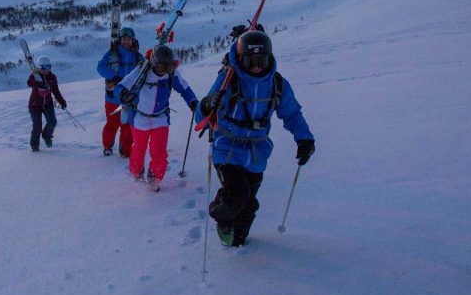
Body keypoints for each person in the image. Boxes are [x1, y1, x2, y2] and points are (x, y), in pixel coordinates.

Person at [195, 29, 315, 246]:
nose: (257, 66)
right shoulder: (229, 80)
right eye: (250, 61)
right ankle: (221, 216)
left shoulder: (276, 84)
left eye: (261, 60)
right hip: (228, 148)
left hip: (257, 152)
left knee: (249, 205)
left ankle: (238, 240)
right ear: (241, 60)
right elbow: (202, 115)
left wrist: (304, 139)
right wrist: (206, 105)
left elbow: (291, 114)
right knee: (236, 196)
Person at [116, 44, 198, 190]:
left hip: (160, 119)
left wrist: (193, 102)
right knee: (139, 148)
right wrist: (123, 95)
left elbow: (185, 89)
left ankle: (155, 177)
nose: (164, 72)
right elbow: (121, 86)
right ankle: (136, 172)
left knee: (159, 151)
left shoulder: (172, 74)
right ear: (153, 64)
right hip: (140, 119)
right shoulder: (141, 71)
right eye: (161, 68)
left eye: (169, 68)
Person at [96, 26, 141, 157]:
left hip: (130, 98)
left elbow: (146, 69)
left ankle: (125, 151)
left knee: (127, 125)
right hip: (113, 97)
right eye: (124, 39)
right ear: (120, 40)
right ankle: (107, 146)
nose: (126, 41)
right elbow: (100, 67)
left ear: (133, 40)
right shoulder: (112, 53)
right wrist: (112, 76)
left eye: (129, 39)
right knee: (112, 123)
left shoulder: (137, 56)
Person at [27, 56, 67, 152]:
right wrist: (40, 83)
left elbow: (55, 91)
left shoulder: (52, 77)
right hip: (35, 105)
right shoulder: (35, 76)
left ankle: (46, 136)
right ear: (40, 67)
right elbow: (29, 83)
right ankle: (34, 146)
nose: (47, 69)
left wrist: (62, 101)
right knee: (37, 126)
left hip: (47, 104)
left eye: (49, 67)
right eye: (44, 67)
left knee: (52, 122)